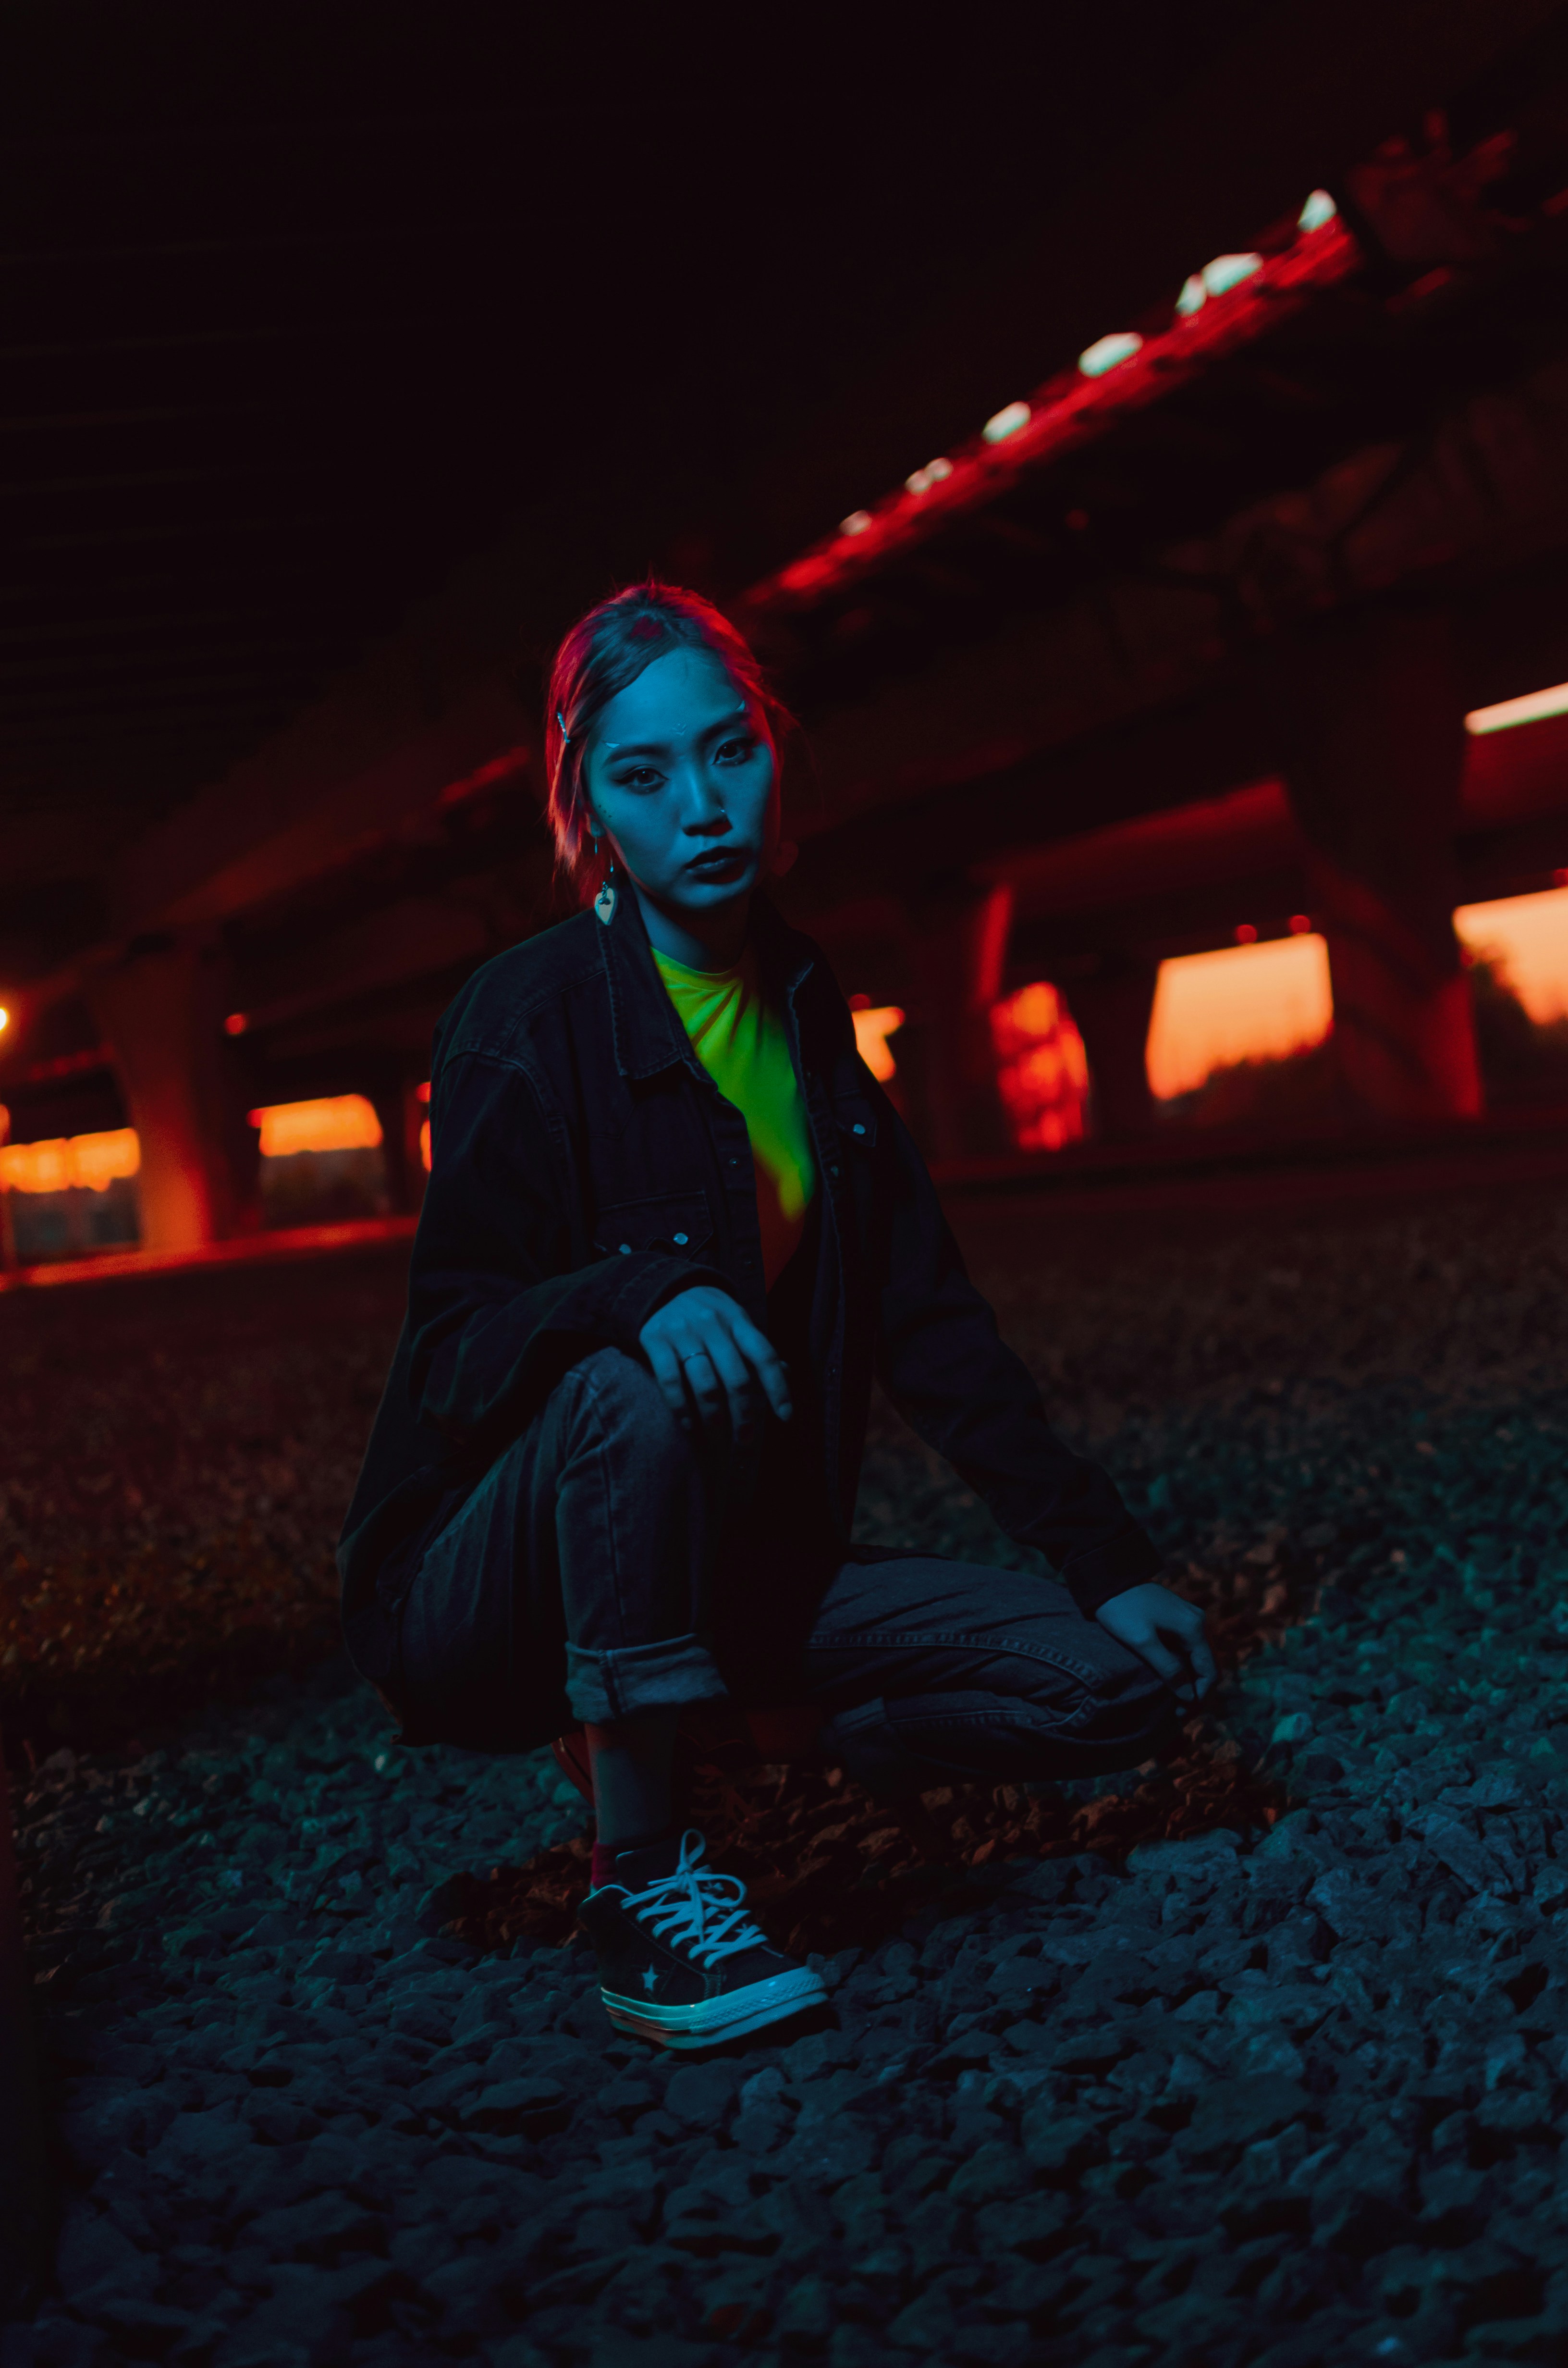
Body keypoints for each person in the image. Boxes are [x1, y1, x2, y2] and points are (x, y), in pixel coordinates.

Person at [338, 582, 1215, 2052]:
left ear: (772, 754)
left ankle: (788, 1744)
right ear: (588, 807)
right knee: (630, 1378)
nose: (702, 804)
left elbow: (930, 1320)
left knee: (1113, 1690)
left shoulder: (804, 998)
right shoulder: (527, 1015)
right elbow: (452, 1351)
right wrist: (644, 1288)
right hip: (486, 1588)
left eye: (730, 751)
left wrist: (1108, 1561)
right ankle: (641, 1880)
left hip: (732, 1572)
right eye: (645, 775)